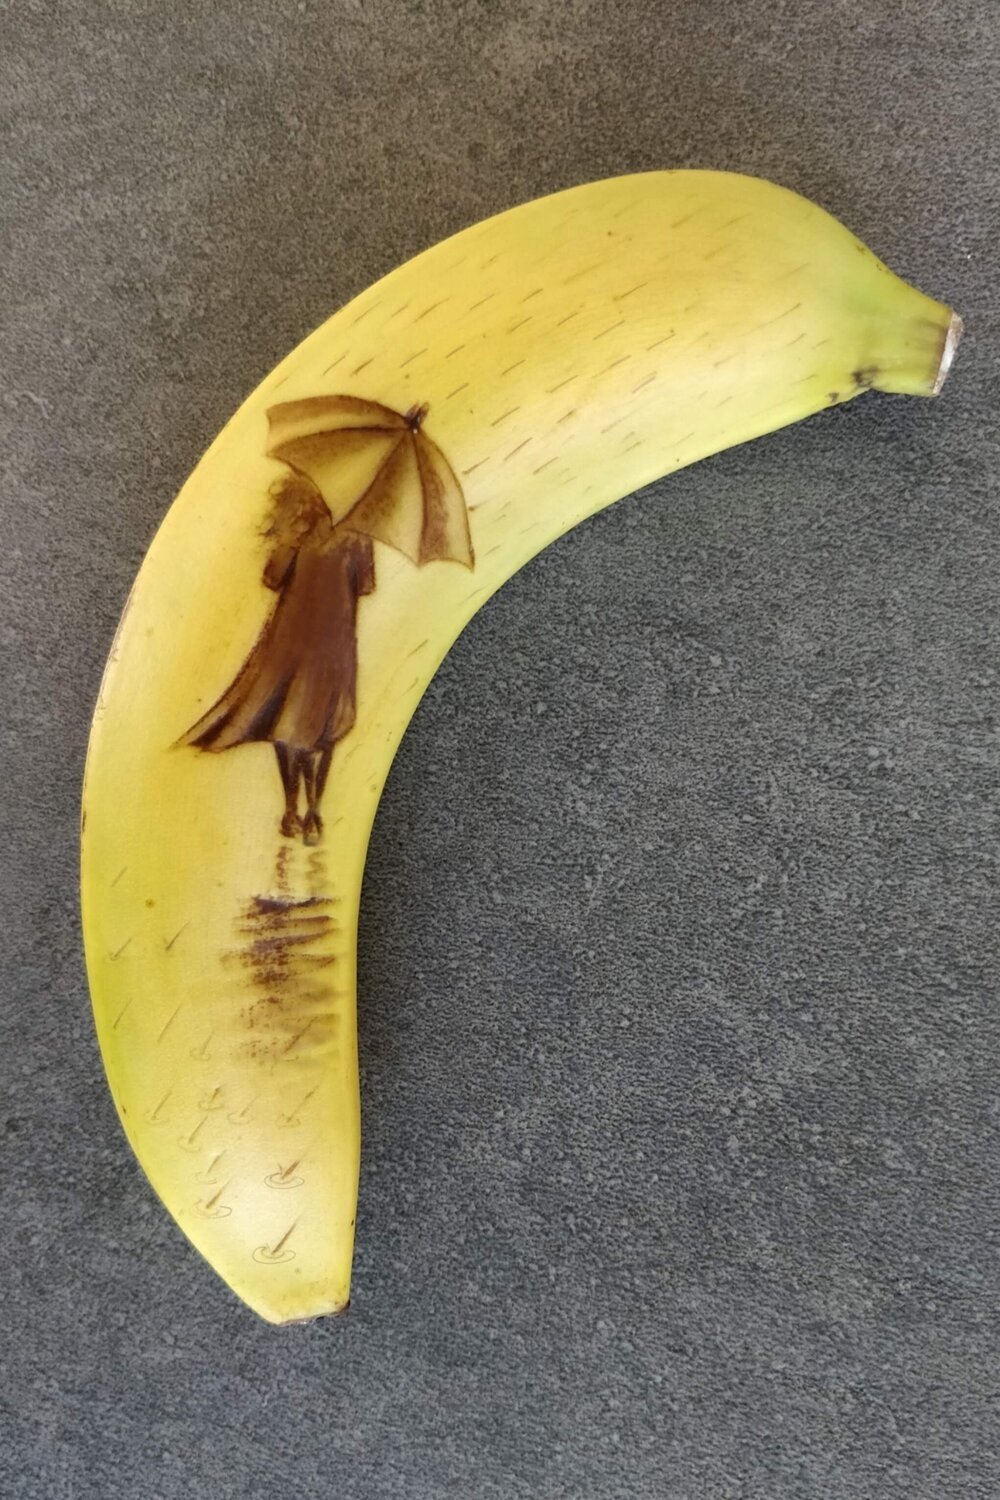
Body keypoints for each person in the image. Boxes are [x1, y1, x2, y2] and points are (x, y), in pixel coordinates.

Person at [180, 473, 375, 845]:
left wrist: (290, 538)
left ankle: (291, 809)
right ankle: (314, 810)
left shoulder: (300, 532)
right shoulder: (357, 535)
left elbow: (271, 578)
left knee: (290, 728)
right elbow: (364, 585)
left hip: (294, 643)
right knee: (325, 728)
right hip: (335, 647)